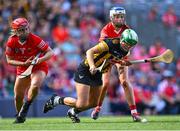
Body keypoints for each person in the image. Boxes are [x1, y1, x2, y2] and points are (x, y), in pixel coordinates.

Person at [43, 29, 140, 123]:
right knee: (81, 103)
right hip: (85, 69)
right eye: (126, 43)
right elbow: (89, 51)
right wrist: (92, 65)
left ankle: (73, 112)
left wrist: (122, 63)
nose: (128, 46)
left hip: (97, 73)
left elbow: (112, 60)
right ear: (122, 39)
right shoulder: (109, 44)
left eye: (131, 45)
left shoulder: (126, 52)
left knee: (94, 103)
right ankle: (56, 100)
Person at [91, 6, 144, 122]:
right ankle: (97, 108)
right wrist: (112, 59)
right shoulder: (105, 30)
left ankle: (134, 113)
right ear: (111, 18)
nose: (120, 19)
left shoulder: (127, 29)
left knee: (124, 81)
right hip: (107, 57)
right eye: (117, 17)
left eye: (121, 16)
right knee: (105, 83)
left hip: (121, 56)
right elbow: (104, 49)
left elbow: (128, 47)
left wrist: (125, 58)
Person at [5, 17, 54, 123]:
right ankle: (20, 116)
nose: (26, 32)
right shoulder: (11, 42)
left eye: (27, 28)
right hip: (23, 68)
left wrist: (39, 60)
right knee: (18, 96)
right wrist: (23, 63)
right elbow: (9, 60)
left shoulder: (35, 39)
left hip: (38, 66)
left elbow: (50, 52)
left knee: (35, 85)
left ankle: (26, 107)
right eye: (22, 30)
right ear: (16, 31)